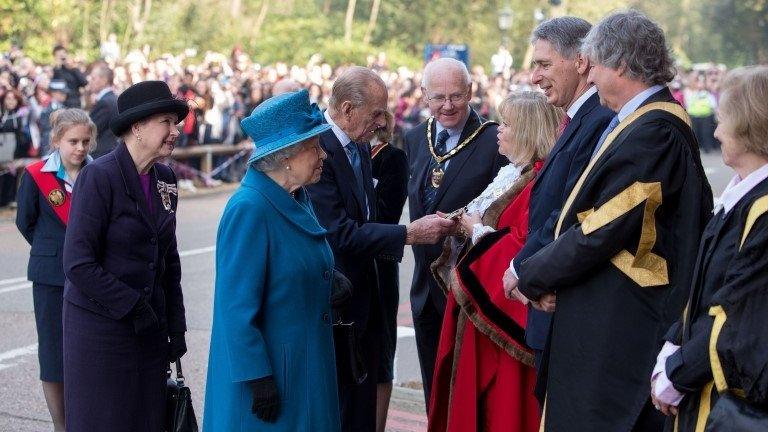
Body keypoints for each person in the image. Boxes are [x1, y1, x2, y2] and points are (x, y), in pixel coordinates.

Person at [510, 11, 713, 431]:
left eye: (595, 64)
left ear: (621, 65)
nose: (590, 73)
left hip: (623, 326)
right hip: (608, 318)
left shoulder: (655, 131)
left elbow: (601, 228)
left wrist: (531, 275)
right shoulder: (636, 124)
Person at [306, 66, 454, 431]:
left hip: (368, 295)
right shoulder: (318, 149)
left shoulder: (358, 144)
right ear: (346, 109)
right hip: (336, 300)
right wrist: (407, 234)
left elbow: (369, 213)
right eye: (375, 113)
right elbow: (338, 232)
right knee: (341, 403)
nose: (382, 121)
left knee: (364, 398)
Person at [204, 89, 341, 431]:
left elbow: (293, 261)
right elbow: (234, 309)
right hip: (272, 381)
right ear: (286, 157)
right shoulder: (249, 209)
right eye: (314, 147)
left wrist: (326, 278)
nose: (323, 154)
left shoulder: (296, 196)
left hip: (303, 369)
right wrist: (257, 377)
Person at [429, 91, 560, 432]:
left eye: (507, 124)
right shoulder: (513, 173)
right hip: (481, 305)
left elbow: (523, 248)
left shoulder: (535, 179)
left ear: (528, 132)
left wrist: (477, 231)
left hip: (501, 314)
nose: (498, 130)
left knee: (501, 408)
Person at [62, 80, 189, 431]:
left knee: (147, 420)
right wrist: (133, 306)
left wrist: (176, 326)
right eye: (166, 121)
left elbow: (168, 260)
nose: (175, 131)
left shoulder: (164, 178)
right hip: (102, 333)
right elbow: (78, 263)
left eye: (174, 123)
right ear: (137, 127)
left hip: (149, 333)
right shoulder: (98, 177)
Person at [503, 16, 614, 403]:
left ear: (581, 60)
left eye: (544, 64)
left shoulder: (599, 121)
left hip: (562, 303)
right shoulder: (579, 119)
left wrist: (524, 271)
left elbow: (574, 215)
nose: (535, 77)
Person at [650, 66, 768, 431]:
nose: (716, 131)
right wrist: (672, 346)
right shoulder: (742, 194)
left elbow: (738, 315)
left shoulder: (762, 209)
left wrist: (676, 373)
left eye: (723, 121)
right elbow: (704, 290)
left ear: (748, 127)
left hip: (721, 390)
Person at [404, 57, 506, 406]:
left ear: (471, 93)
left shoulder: (494, 140)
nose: (447, 106)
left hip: (468, 289)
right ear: (424, 96)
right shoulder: (415, 137)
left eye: (456, 97)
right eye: (438, 97)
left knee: (466, 396)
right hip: (424, 290)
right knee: (434, 391)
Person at [15, 108, 95, 432]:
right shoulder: (35, 174)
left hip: (91, 276)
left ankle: (87, 418)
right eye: (73, 141)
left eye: (85, 142)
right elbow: (26, 222)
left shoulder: (99, 173)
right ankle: (61, 425)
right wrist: (56, 250)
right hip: (50, 277)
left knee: (89, 352)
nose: (80, 148)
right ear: (57, 140)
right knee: (52, 355)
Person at [369, 111, 409, 432]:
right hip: (348, 266)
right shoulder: (338, 154)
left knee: (381, 356)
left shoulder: (392, 158)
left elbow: (386, 216)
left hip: (380, 265)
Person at [0, 88, 32, 207]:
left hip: (16, 152)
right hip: (2, 150)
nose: (11, 101)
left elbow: (24, 135)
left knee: (12, 176)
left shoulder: (22, 115)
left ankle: (10, 199)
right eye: (8, 99)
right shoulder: (2, 115)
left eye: (13, 99)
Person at [87, 62, 119, 158]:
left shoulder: (105, 102)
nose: (90, 81)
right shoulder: (112, 98)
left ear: (104, 80)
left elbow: (90, 130)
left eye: (93, 78)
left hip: (101, 154)